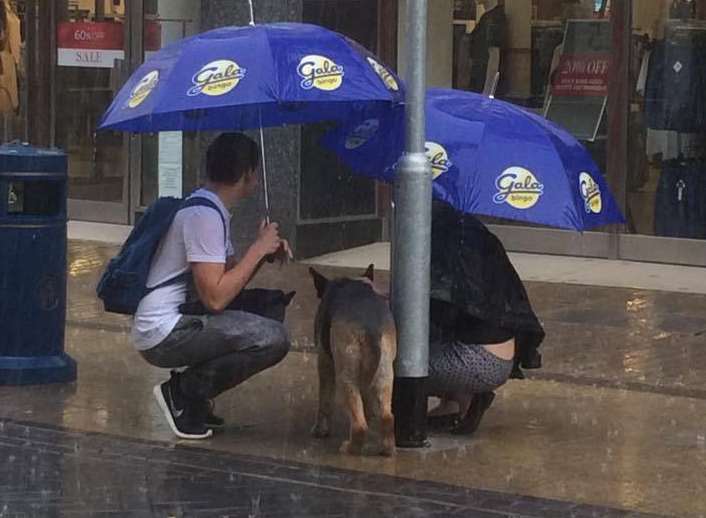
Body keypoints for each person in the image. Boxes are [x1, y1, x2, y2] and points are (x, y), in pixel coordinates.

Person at [133, 132, 292, 440]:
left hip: (177, 323)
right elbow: (216, 299)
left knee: (267, 311)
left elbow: (230, 279)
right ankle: (183, 393)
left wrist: (263, 255)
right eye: (255, 171)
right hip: (166, 331)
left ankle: (192, 398)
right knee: (272, 337)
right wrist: (257, 248)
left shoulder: (211, 209)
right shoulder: (203, 216)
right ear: (246, 173)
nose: (257, 179)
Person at [425, 201, 544, 435]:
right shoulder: (473, 233)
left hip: (476, 360)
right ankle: (457, 402)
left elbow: (437, 311)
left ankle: (411, 423)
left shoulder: (447, 242)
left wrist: (394, 297)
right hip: (503, 355)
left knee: (393, 362)